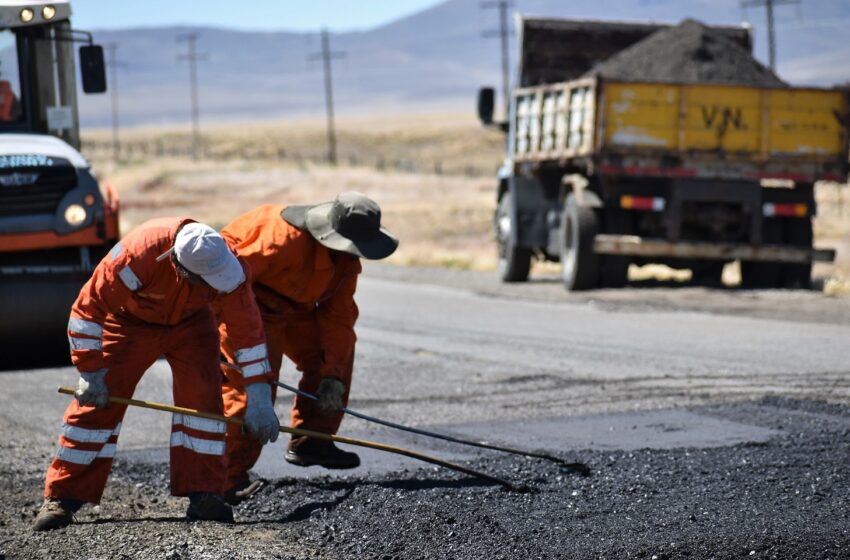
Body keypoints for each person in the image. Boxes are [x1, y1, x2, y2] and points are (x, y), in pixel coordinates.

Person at [34, 219, 280, 531]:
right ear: (179, 268)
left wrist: (259, 396)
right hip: (128, 323)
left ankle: (205, 492)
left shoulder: (227, 262)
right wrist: (90, 371)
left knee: (204, 403)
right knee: (98, 403)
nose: (215, 285)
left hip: (192, 324)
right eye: (207, 281)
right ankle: (62, 497)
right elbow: (88, 309)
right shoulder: (138, 255)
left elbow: (248, 329)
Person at [217, 192, 398, 503]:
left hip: (296, 310)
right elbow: (221, 279)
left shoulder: (345, 263)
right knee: (253, 389)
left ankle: (312, 439)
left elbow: (339, 319)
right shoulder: (276, 240)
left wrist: (333, 378)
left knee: (334, 355)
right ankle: (225, 480)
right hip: (248, 307)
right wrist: (200, 327)